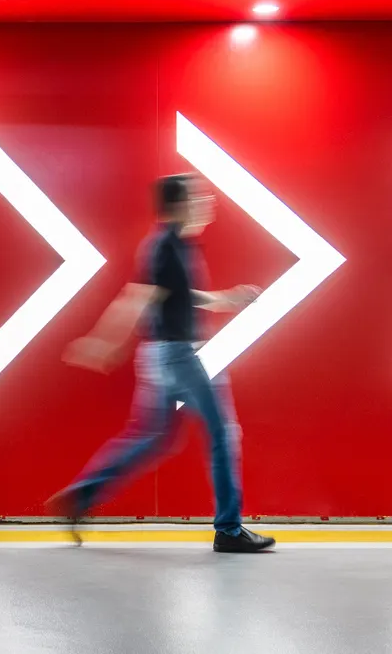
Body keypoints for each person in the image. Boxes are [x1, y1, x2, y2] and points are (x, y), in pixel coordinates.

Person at [52, 173, 275, 553]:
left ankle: (81, 496)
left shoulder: (173, 246)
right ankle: (230, 529)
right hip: (179, 355)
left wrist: (224, 300)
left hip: (163, 355)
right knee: (223, 432)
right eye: (197, 197)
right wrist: (104, 342)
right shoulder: (166, 246)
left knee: (153, 437)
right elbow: (139, 296)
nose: (206, 202)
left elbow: (179, 295)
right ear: (178, 205)